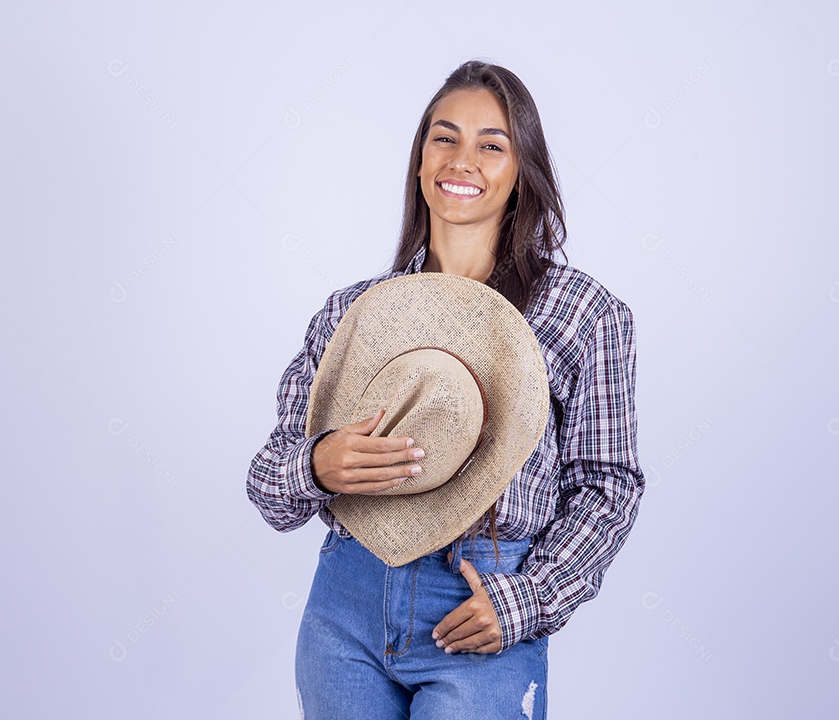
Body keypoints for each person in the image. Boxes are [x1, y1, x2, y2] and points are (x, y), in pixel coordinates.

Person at [247, 60, 644, 719]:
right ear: (419, 157)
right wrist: (318, 462)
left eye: (492, 144)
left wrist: (528, 599)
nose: (463, 160)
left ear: (523, 170)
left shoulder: (585, 314)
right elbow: (268, 485)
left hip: (480, 601)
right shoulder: (352, 313)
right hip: (348, 598)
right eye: (444, 137)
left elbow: (608, 487)